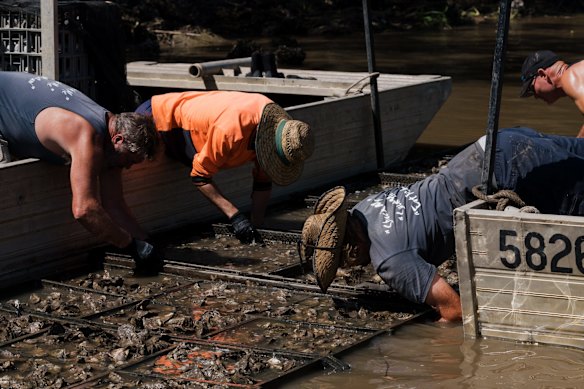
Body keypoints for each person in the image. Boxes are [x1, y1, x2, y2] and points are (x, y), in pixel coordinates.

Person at [300, 127, 584, 322]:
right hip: (492, 145)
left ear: (350, 251)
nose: (355, 267)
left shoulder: (389, 261)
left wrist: (440, 336)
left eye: (346, 263)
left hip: (511, 173)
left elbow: (455, 309)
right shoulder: (364, 207)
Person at [0, 71, 162, 273]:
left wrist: (147, 241)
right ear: (118, 139)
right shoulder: (86, 134)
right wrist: (130, 245)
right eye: (129, 160)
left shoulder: (111, 137)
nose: (127, 167)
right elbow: (84, 210)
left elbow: (114, 205)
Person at [135, 91, 314, 244]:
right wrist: (236, 217)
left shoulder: (277, 128)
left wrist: (257, 225)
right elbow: (200, 177)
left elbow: (263, 181)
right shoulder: (230, 132)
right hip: (159, 122)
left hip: (197, 127)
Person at [519, 50, 584, 137]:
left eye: (531, 89)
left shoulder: (570, 77)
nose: (535, 97)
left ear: (542, 74)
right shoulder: (578, 72)